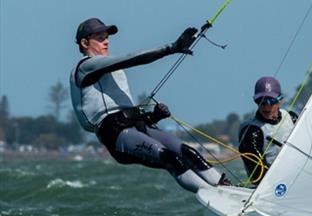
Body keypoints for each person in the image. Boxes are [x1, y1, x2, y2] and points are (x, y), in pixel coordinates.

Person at [69, 17, 225, 192]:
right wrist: (171, 48)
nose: (106, 42)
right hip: (115, 134)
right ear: (84, 43)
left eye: (107, 38)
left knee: (188, 153)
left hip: (136, 127)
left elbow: (127, 113)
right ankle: (213, 195)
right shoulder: (85, 67)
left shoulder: (113, 71)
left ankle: (227, 188)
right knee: (172, 159)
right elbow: (132, 59)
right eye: (100, 38)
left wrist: (154, 116)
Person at [238, 76, 297, 182]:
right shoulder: (251, 132)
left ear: (280, 101)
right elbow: (258, 174)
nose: (266, 106)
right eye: (261, 101)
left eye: (271, 101)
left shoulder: (292, 118)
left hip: (296, 178)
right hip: (268, 187)